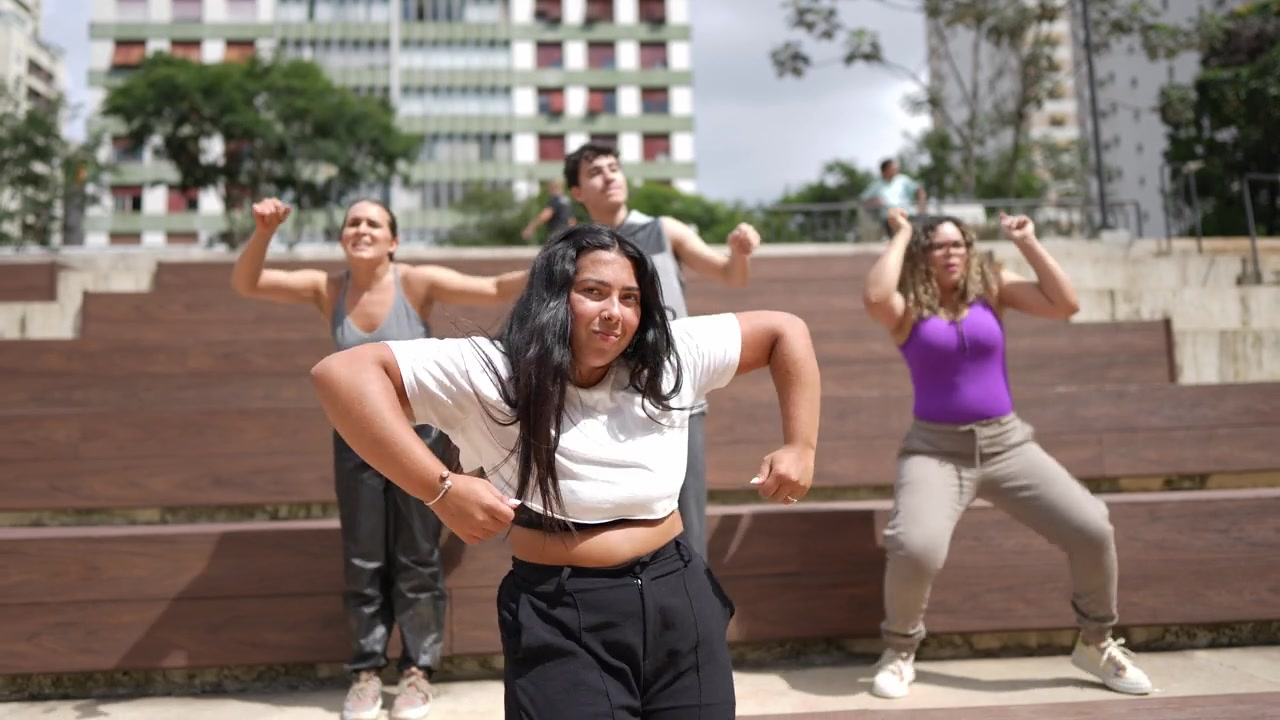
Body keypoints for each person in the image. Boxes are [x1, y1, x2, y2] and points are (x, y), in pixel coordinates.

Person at [309, 224, 821, 719]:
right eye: (593, 292)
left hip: (677, 594)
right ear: (554, 297)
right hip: (560, 610)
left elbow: (785, 331)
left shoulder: (668, 357)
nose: (614, 311)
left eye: (630, 298)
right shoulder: (494, 370)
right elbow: (341, 375)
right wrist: (440, 488)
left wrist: (801, 446)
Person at [231, 197, 528, 720]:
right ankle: (366, 672)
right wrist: (263, 232)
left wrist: (564, 260)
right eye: (353, 222)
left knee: (417, 555)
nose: (362, 229)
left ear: (393, 240)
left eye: (374, 223)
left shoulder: (415, 281)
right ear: (342, 237)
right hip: (356, 442)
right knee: (363, 559)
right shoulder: (328, 289)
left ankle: (417, 672)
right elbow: (247, 283)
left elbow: (496, 288)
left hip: (421, 444)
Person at [860, 208, 1154, 700]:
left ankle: (1096, 643)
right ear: (921, 255)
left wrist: (1028, 242)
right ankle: (900, 651)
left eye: (958, 244)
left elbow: (1065, 304)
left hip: (1007, 444)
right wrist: (904, 232)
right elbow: (874, 295)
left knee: (1092, 528)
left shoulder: (992, 287)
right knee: (915, 546)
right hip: (935, 451)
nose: (950, 253)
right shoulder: (906, 307)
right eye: (938, 245)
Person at [561, 141, 762, 559]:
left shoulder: (663, 230)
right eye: (596, 172)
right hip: (604, 403)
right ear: (577, 192)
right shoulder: (575, 248)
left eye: (614, 167)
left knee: (688, 527)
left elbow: (731, 275)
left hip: (674, 395)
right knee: (621, 523)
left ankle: (693, 600)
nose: (609, 176)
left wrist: (739, 253)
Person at [860, 158, 927, 240]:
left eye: (896, 168)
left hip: (908, 216)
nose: (896, 170)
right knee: (898, 241)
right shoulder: (876, 184)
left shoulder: (903, 179)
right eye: (893, 169)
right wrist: (874, 201)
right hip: (889, 220)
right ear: (884, 170)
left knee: (914, 239)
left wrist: (921, 209)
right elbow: (863, 201)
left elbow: (920, 191)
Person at [520, 178, 576, 243]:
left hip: (556, 235)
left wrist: (531, 227)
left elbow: (546, 215)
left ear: (552, 187)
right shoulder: (567, 201)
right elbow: (572, 221)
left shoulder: (555, 199)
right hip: (565, 236)